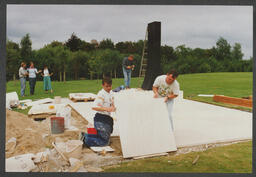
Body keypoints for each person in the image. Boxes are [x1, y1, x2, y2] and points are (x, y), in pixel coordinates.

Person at [81, 77, 116, 147]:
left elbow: (113, 99)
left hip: (106, 119)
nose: (109, 88)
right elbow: (94, 107)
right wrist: (107, 109)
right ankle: (85, 139)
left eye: (110, 86)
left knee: (103, 137)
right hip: (100, 120)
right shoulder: (101, 94)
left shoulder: (111, 93)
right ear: (102, 85)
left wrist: (113, 105)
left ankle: (85, 135)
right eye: (107, 86)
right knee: (104, 142)